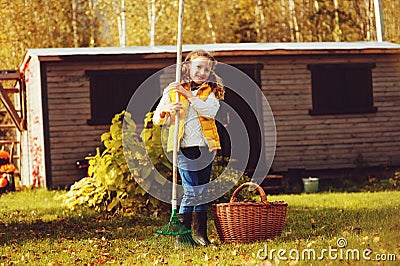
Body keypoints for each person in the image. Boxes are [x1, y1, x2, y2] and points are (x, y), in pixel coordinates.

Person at [153, 50, 224, 246]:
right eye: (198, 67)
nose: (202, 72)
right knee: (192, 192)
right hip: (184, 147)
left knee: (202, 191)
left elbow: (209, 110)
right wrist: (166, 111)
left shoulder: (210, 90)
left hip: (205, 147)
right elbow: (156, 118)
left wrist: (188, 95)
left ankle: (200, 235)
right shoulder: (172, 89)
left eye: (206, 69)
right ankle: (182, 238)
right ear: (187, 68)